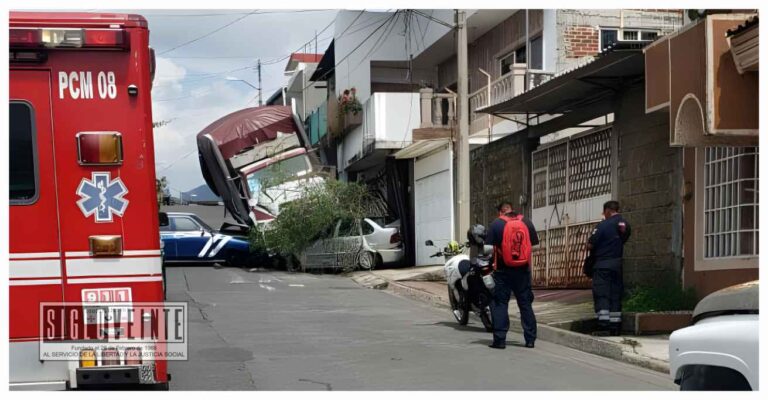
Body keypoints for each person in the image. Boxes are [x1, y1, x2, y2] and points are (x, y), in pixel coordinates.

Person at [485, 201, 539, 349]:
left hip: (503, 271)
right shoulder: (526, 222)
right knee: (525, 304)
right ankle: (530, 340)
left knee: (500, 304)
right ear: (512, 209)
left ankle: (500, 340)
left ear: (501, 211)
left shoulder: (496, 224)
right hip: (522, 271)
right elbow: (535, 246)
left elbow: (487, 249)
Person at [587, 200, 631, 336]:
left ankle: (603, 325)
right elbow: (623, 239)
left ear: (607, 211)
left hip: (602, 266)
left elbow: (590, 244)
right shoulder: (625, 225)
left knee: (602, 294)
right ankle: (615, 325)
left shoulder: (602, 225)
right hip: (617, 265)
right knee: (615, 294)